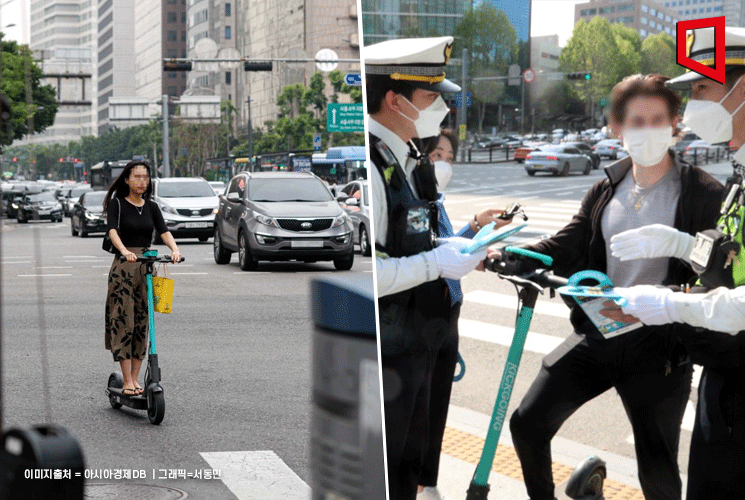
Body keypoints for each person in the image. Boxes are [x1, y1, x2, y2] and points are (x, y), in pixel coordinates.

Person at [491, 74, 725, 500]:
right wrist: (519, 255)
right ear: (617, 128)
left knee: (657, 470)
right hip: (598, 332)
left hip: (659, 347)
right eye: (637, 121)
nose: (649, 130)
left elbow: (717, 274)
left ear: (676, 124)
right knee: (527, 423)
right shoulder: (606, 187)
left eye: (659, 119)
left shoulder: (702, 192)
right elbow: (571, 239)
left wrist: (668, 298)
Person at [605, 27, 745, 499]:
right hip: (727, 371)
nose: (694, 105)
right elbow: (734, 257)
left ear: (742, 90)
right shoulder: (741, 168)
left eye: (702, 89)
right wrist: (682, 245)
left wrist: (670, 305)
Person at [365, 36, 487, 500]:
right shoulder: (373, 167)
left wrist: (461, 245)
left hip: (419, 343)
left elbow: (418, 237)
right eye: (431, 96)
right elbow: (373, 272)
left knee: (410, 468)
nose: (442, 106)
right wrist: (438, 261)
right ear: (394, 100)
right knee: (387, 469)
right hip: (390, 351)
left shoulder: (411, 157)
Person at [416, 129, 509, 500]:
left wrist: (475, 225)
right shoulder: (415, 195)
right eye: (437, 154)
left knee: (438, 404)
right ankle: (418, 484)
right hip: (428, 310)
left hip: (449, 309)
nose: (445, 163)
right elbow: (431, 253)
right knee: (421, 407)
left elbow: (445, 243)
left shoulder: (435, 198)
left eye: (450, 157)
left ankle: (427, 482)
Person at [103, 160, 182, 397]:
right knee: (123, 320)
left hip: (146, 266)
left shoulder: (152, 206)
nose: (141, 181)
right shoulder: (118, 204)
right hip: (125, 268)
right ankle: (126, 380)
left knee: (141, 323)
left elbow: (164, 230)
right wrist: (125, 250)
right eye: (136, 177)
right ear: (126, 179)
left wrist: (175, 250)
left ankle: (136, 380)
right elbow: (112, 231)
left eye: (145, 177)